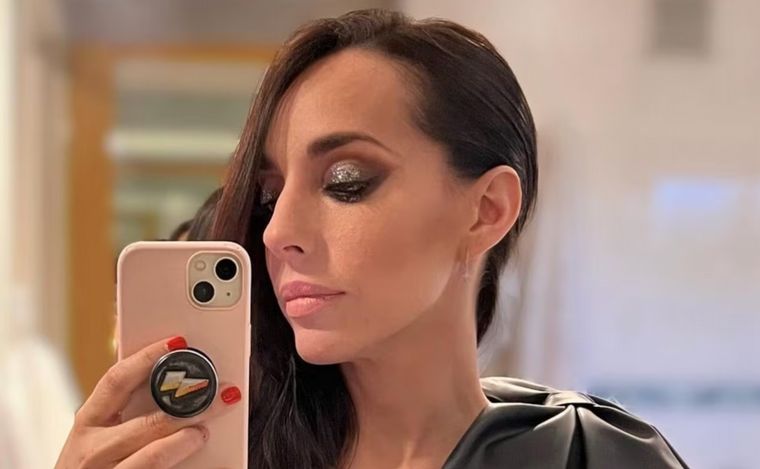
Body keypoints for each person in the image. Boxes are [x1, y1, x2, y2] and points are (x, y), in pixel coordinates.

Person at [56, 9, 688, 469]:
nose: (277, 231)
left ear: (486, 210)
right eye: (270, 196)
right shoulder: (216, 454)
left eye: (346, 181)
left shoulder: (589, 456)